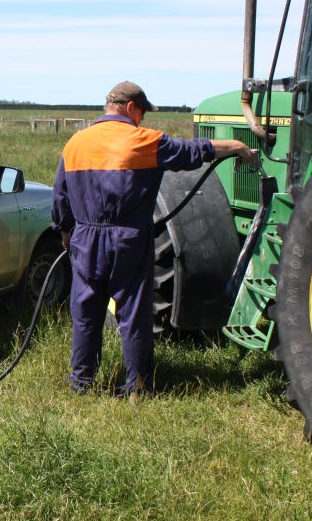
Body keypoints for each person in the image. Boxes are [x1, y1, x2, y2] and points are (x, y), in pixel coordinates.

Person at [51, 81, 257, 398]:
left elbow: (61, 197)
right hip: (127, 239)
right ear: (132, 107)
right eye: (142, 113)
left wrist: (66, 233)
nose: (142, 120)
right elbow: (193, 151)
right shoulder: (143, 141)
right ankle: (137, 387)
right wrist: (237, 146)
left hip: (84, 238)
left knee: (86, 313)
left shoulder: (76, 143)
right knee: (133, 315)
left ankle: (81, 383)